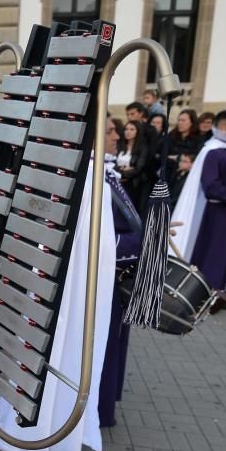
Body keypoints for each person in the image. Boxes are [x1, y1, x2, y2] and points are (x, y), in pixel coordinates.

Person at [0, 151, 116, 451]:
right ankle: (32, 419)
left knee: (70, 337)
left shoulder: (89, 172)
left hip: (63, 275)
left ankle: (56, 421)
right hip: (40, 275)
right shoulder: (52, 167)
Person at [171, 109, 226, 311]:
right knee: (214, 254)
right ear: (223, 127)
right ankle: (205, 299)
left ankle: (218, 294)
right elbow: (211, 186)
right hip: (216, 214)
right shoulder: (213, 152)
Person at [98, 117, 143, 428]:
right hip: (99, 284)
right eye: (110, 131)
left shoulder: (106, 174)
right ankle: (96, 413)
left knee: (113, 342)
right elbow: (97, 243)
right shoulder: (92, 179)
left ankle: (104, 407)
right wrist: (147, 239)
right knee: (101, 345)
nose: (116, 136)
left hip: (113, 279)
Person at [116, 119, 151, 215]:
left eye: (132, 129)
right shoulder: (119, 145)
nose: (128, 132)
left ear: (138, 131)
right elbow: (112, 165)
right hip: (118, 183)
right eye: (126, 129)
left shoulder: (143, 148)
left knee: (130, 211)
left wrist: (120, 171)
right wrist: (122, 169)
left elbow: (138, 169)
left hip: (133, 185)